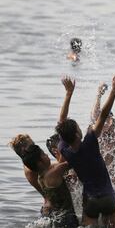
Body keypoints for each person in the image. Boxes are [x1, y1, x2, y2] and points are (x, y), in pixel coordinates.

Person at [56, 74, 115, 227]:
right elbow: (102, 115)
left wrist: (68, 94)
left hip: (90, 200)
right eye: (78, 128)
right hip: (108, 198)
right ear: (77, 134)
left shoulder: (64, 149)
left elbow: (61, 122)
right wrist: (114, 90)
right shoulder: (90, 142)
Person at [8, 77, 76, 216]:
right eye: (32, 145)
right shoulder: (32, 168)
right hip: (54, 208)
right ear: (24, 151)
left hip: (52, 207)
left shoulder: (33, 166)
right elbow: (64, 166)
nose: (36, 148)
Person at [22, 144, 79, 227]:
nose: (47, 155)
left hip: (55, 216)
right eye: (44, 154)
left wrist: (60, 158)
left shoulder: (41, 176)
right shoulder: (54, 172)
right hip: (67, 218)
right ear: (40, 163)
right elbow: (74, 161)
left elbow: (57, 168)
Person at [90, 82, 115, 193]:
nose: (111, 122)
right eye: (108, 119)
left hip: (112, 184)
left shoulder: (114, 137)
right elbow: (95, 115)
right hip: (98, 182)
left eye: (112, 119)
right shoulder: (98, 135)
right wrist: (99, 95)